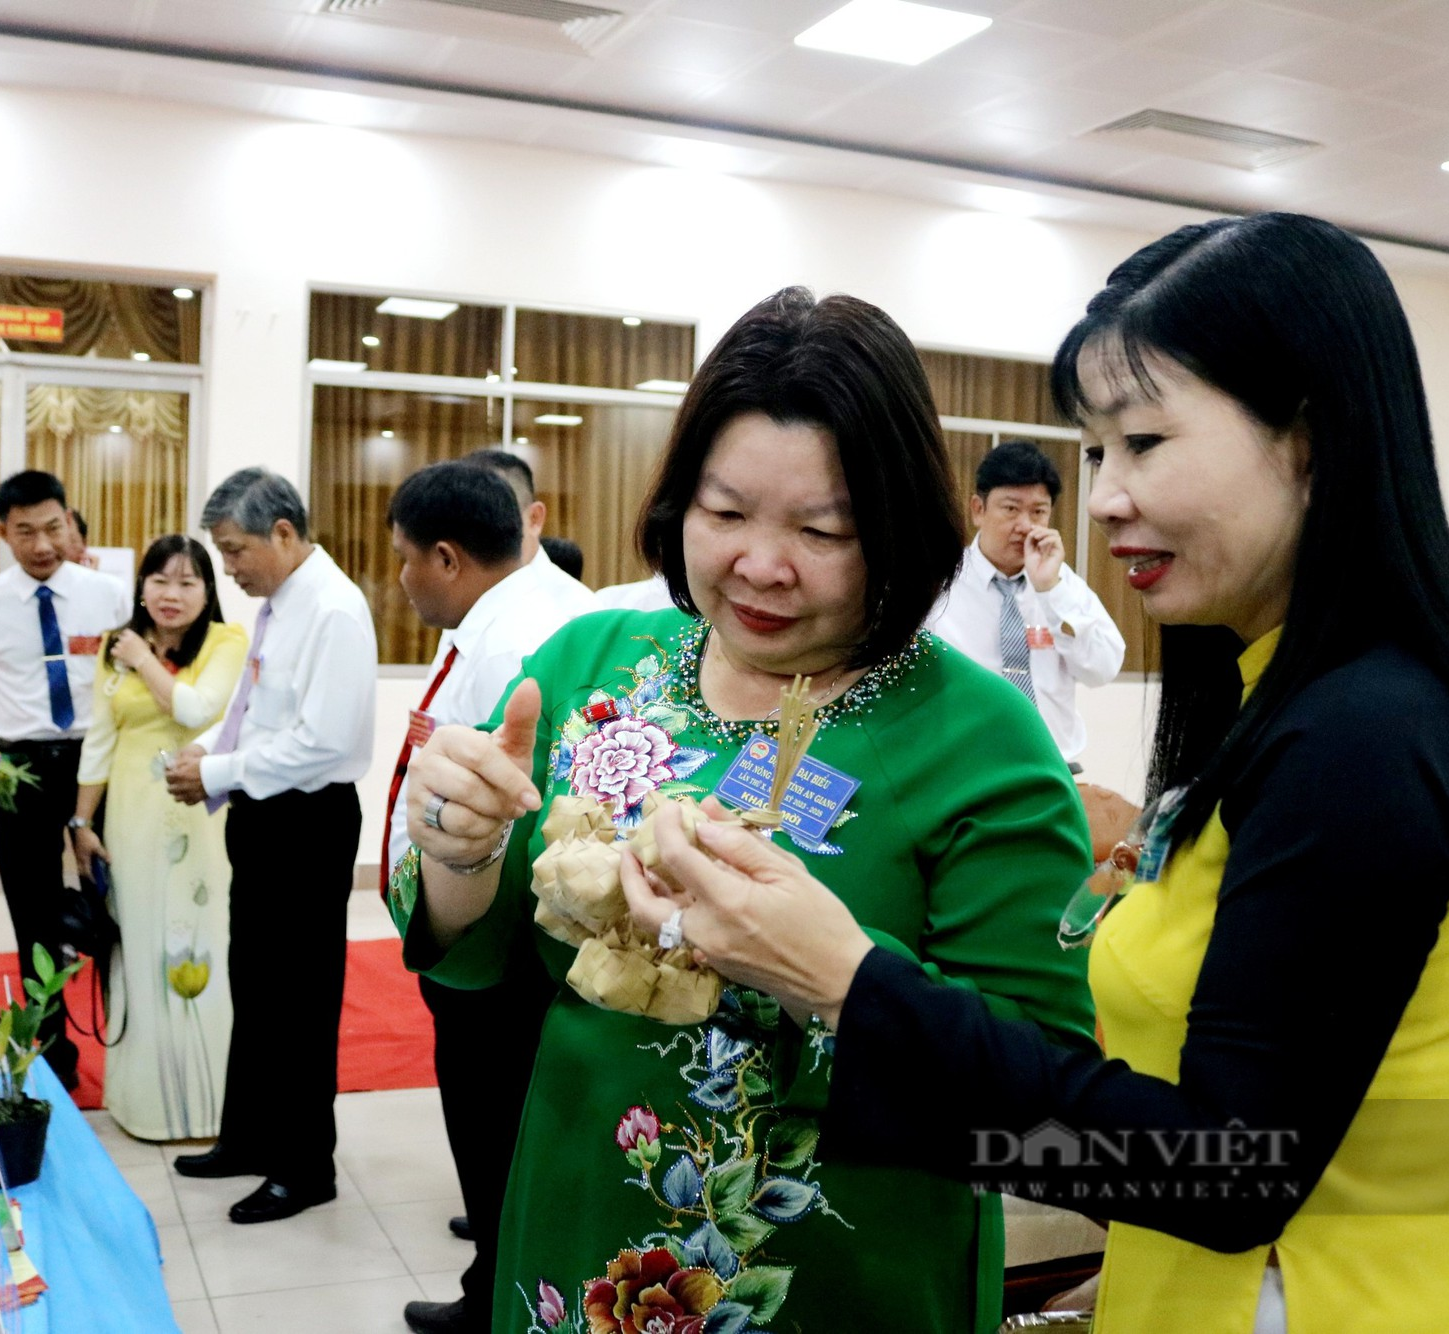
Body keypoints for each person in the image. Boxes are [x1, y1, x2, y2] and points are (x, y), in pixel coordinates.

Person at [621, 215, 1449, 1333]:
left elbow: (1224, 1169)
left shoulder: (1368, 733)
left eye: (1145, 442)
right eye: (1096, 449)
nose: (1102, 495)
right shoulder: (1294, 698)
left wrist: (848, 983)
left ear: (1306, 438)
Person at [392, 288, 1094, 1333]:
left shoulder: (977, 733)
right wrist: (457, 851)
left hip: (834, 1259)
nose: (759, 564)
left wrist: (829, 973)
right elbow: (475, 950)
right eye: (723, 514)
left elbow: (1040, 1095)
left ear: (896, 526)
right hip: (579, 1218)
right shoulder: (595, 663)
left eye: (822, 528)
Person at [382, 463, 586, 1334]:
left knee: (493, 1118)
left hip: (492, 939)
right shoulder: (495, 612)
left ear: (447, 556)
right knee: (497, 1126)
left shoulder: (517, 642)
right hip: (465, 917)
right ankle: (495, 1280)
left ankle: (495, 1297)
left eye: (403, 560)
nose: (399, 579)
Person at [162, 468, 376, 1224]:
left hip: (307, 823)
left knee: (298, 999)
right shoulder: (281, 605)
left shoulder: (334, 610)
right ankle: (249, 1138)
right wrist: (208, 761)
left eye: (235, 550)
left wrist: (219, 769)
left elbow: (326, 743)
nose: (230, 568)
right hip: (262, 813)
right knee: (255, 983)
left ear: (283, 533)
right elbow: (258, 714)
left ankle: (303, 1165)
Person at [0, 470, 130, 1088]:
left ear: (70, 521)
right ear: (3, 532)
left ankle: (126, 1040)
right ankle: (52, 1052)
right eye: (25, 532)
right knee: (31, 910)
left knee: (113, 902)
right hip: (19, 766)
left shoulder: (108, 595)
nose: (42, 544)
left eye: (53, 527)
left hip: (95, 764)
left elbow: (125, 687)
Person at [72, 535, 247, 1141]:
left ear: (208, 590)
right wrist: (80, 823)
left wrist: (144, 659)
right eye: (160, 580)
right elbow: (99, 737)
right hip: (130, 816)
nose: (171, 595)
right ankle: (142, 1102)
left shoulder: (228, 643)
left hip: (200, 814)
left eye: (187, 582)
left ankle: (211, 1106)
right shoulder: (110, 649)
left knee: (200, 945)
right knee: (137, 943)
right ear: (141, 585)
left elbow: (199, 709)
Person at [926, 440, 1125, 769]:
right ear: (978, 509)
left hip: (1053, 766)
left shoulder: (1063, 585)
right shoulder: (938, 584)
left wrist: (1050, 592)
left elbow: (1102, 669)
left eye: (1038, 511)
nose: (1025, 525)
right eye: (1010, 508)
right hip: (964, 767)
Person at [462, 447, 596, 619]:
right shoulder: (465, 599)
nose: (476, 536)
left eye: (494, 518)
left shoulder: (576, 611)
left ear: (534, 518)